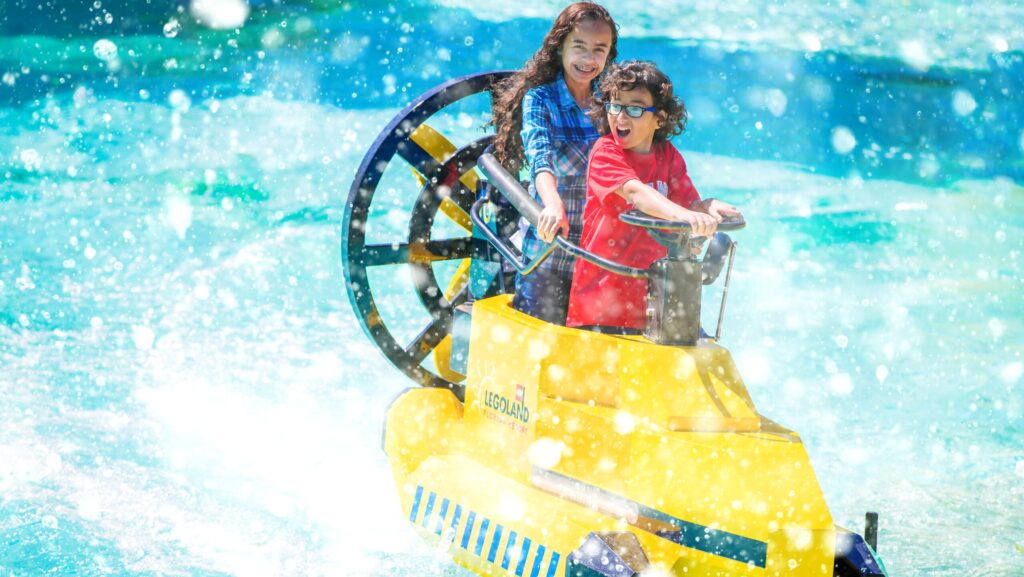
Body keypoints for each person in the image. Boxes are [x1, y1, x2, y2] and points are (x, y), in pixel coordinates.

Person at [566, 60, 742, 333]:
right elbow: (636, 192)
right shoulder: (606, 152)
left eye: (634, 109)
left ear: (659, 119)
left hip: (653, 306)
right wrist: (684, 214)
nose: (620, 117)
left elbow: (688, 204)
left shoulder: (668, 156)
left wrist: (708, 207)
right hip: (600, 309)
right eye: (615, 106)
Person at [490, 2, 618, 325]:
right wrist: (551, 203)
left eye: (599, 50)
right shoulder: (540, 99)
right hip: (548, 254)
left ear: (609, 55)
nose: (589, 60)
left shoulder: (612, 103)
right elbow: (539, 157)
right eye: (579, 47)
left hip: (596, 261)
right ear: (560, 45)